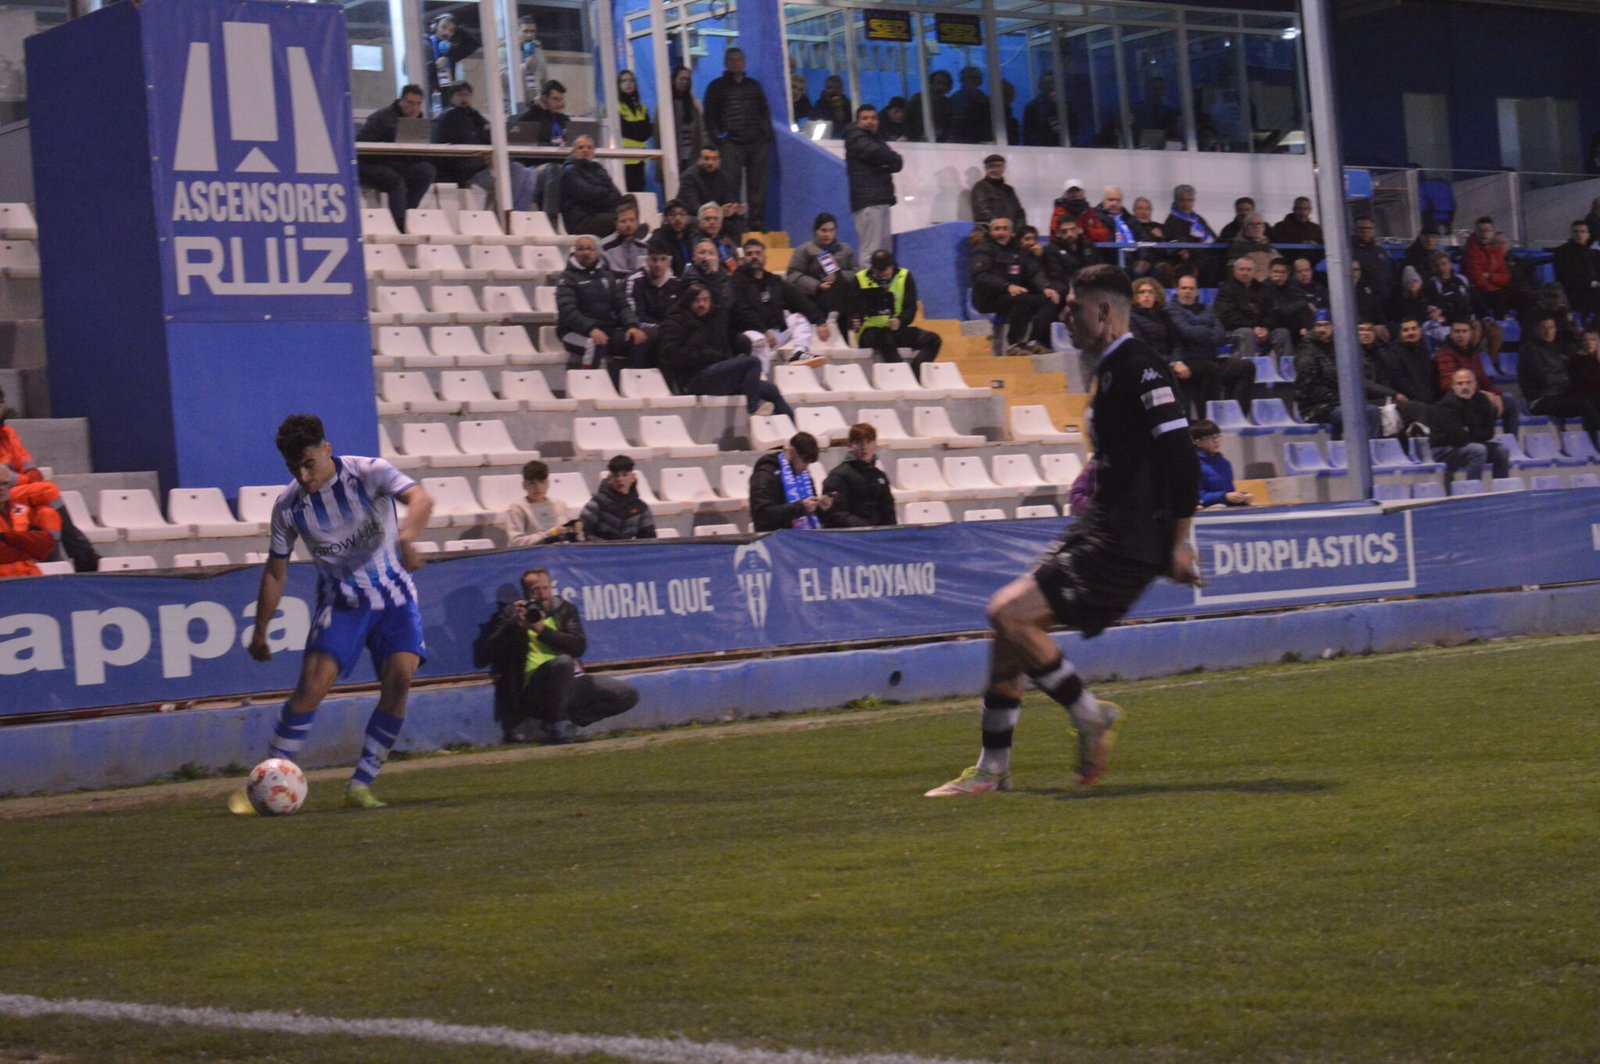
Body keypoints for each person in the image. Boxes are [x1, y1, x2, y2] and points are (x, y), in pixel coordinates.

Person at [926, 265, 1199, 797]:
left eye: (1074, 307)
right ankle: (992, 769)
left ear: (1103, 312)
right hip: (1099, 529)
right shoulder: (1112, 369)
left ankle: (1090, 716)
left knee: (1007, 613)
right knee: (1007, 632)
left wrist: (1179, 540)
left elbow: (1181, 460)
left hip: (1125, 540)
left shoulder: (1143, 369)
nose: (1064, 316)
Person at [232, 414, 434, 812]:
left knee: (400, 678)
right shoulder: (289, 507)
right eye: (295, 469)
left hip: (394, 596)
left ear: (327, 449)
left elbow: (421, 498)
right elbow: (276, 571)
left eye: (309, 464)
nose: (305, 477)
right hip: (342, 602)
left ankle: (360, 785)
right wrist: (260, 631)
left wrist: (408, 537)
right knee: (313, 686)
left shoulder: (369, 472)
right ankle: (269, 778)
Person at [486, 566, 639, 745]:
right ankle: (561, 732)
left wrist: (542, 630)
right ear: (526, 594)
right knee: (562, 663)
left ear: (551, 587)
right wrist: (514, 626)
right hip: (533, 689)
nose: (542, 595)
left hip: (570, 682)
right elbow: (489, 652)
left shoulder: (565, 610)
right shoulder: (513, 615)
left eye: (545, 588)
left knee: (627, 694)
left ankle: (565, 721)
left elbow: (578, 647)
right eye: (535, 590)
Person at [658, 279, 790, 416]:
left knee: (771, 389)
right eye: (697, 300)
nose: (701, 304)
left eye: (705, 300)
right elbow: (668, 353)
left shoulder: (714, 319)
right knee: (752, 362)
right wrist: (704, 354)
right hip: (693, 379)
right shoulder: (675, 320)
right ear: (688, 301)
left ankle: (795, 432)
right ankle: (754, 408)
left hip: (718, 376)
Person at [702, 48, 775, 232]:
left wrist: (765, 135)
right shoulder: (716, 86)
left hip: (757, 143)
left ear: (744, 62)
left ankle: (756, 223)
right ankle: (732, 224)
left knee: (758, 185)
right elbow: (709, 116)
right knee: (730, 186)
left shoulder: (753, 86)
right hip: (731, 144)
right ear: (725, 63)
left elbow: (764, 112)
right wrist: (719, 139)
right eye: (732, 59)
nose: (736, 63)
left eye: (739, 59)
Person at [432, 82, 535, 212]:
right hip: (468, 174)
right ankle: (505, 215)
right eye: (459, 95)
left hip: (485, 168)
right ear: (451, 98)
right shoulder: (447, 118)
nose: (464, 98)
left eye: (467, 95)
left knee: (527, 173)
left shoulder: (476, 117)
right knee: (518, 172)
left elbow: (492, 137)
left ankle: (517, 216)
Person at [557, 235, 647, 374]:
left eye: (589, 248)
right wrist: (590, 329)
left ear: (597, 252)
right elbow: (568, 311)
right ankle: (589, 385)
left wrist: (631, 326)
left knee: (637, 339)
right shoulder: (567, 278)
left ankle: (630, 386)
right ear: (574, 252)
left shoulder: (607, 276)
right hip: (573, 331)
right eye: (581, 249)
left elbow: (621, 304)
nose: (585, 253)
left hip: (606, 329)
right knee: (595, 343)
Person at [734, 238, 827, 372]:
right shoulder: (737, 281)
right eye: (749, 254)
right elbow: (742, 311)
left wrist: (820, 322)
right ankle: (761, 378)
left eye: (757, 253)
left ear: (764, 256)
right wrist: (763, 331)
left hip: (774, 332)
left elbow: (798, 300)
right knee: (759, 342)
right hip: (751, 333)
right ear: (743, 258)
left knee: (799, 318)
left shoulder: (774, 281)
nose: (754, 257)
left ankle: (799, 354)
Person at [1167, 272, 1251, 419]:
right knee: (1209, 369)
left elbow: (1220, 336)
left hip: (1210, 357)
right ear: (1177, 290)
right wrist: (1207, 329)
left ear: (1197, 291)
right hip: (1186, 362)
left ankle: (1237, 416)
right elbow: (1187, 332)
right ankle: (1210, 420)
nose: (1187, 291)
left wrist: (1198, 330)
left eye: (1191, 288)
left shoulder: (1208, 308)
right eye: (1184, 288)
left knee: (1246, 367)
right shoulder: (1171, 310)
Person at [970, 216, 1058, 355]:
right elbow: (980, 276)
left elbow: (1033, 271)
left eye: (1005, 229)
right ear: (991, 232)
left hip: (1013, 295)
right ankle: (1014, 343)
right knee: (1022, 299)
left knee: (1050, 300)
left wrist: (1045, 287)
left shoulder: (1018, 250)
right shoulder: (983, 249)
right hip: (988, 298)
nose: (1001, 232)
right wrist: (1007, 286)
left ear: (1011, 232)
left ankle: (1033, 341)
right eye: (997, 229)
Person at [356, 85, 436, 233]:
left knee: (426, 171)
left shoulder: (417, 123)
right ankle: (399, 226)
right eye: (410, 103)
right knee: (395, 181)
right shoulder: (381, 117)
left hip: (398, 164)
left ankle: (409, 214)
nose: (414, 108)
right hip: (371, 164)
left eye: (418, 104)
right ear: (401, 101)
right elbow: (361, 145)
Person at [1294, 313, 1382, 438]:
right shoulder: (1306, 352)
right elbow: (1307, 389)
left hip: (1338, 403)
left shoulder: (1339, 347)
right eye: (1318, 326)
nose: (1322, 330)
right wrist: (1338, 397)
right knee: (1369, 412)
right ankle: (1365, 454)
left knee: (1384, 408)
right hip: (1317, 408)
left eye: (1326, 325)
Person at [851, 250, 941, 370]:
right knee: (884, 338)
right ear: (873, 269)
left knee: (933, 340)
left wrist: (900, 321)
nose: (882, 276)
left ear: (892, 266)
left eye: (886, 272)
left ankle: (916, 373)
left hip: (895, 329)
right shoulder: (859, 278)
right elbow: (852, 308)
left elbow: (910, 308)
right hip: (869, 332)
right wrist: (855, 320)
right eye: (878, 272)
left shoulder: (905, 277)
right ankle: (903, 375)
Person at [1518, 316, 1600, 446]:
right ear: (1536, 330)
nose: (1548, 331)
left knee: (1595, 398)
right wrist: (1564, 377)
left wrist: (1560, 376)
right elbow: (1543, 379)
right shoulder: (1530, 350)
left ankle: (1595, 445)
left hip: (1559, 395)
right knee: (1584, 404)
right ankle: (1594, 443)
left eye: (1551, 327)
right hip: (1541, 400)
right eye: (1544, 328)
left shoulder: (1554, 348)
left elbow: (1558, 374)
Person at [1433, 318, 1516, 434]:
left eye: (1464, 331)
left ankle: (1512, 444)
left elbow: (1483, 380)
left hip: (1476, 397)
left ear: (1470, 333)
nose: (1460, 335)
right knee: (1486, 405)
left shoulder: (1473, 354)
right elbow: (1447, 384)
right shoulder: (1444, 354)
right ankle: (1483, 440)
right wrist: (1483, 394)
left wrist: (1496, 395)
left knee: (1510, 403)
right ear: (1451, 334)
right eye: (1457, 332)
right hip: (1456, 400)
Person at [1429, 369, 1510, 483]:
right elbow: (1457, 439)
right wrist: (1475, 430)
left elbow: (1489, 433)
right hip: (1443, 449)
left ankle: (1502, 489)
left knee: (1502, 450)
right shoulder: (1447, 405)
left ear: (1475, 384)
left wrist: (1468, 430)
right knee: (1478, 450)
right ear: (1453, 386)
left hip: (1466, 445)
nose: (1464, 387)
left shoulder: (1482, 400)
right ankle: (1473, 490)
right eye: (1460, 383)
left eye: (1468, 382)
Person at [843, 104, 903, 259]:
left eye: (873, 118)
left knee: (884, 254)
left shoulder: (875, 139)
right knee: (871, 252)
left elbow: (897, 163)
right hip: (868, 201)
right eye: (865, 118)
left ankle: (882, 284)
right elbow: (878, 153)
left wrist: (885, 159)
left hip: (880, 199)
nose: (870, 121)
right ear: (857, 122)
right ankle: (866, 284)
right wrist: (887, 159)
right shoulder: (854, 136)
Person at [1214, 255, 1291, 363]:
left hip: (1261, 330)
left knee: (1282, 333)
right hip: (1233, 331)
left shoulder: (1263, 289)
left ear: (1254, 271)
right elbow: (1227, 315)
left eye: (1249, 270)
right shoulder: (1226, 290)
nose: (1245, 273)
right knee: (1247, 333)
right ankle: (1247, 373)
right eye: (1242, 269)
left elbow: (1272, 312)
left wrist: (1266, 328)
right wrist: (1253, 327)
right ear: (1234, 271)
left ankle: (1285, 374)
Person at [750, 431, 831, 531]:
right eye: (804, 461)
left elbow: (811, 514)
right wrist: (799, 508)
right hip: (773, 539)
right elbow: (761, 513)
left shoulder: (804, 476)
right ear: (792, 452)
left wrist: (822, 509)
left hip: (799, 539)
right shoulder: (765, 473)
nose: (806, 467)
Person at [821, 422, 895, 528]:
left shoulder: (880, 476)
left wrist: (889, 533)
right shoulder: (838, 476)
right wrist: (867, 529)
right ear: (850, 445)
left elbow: (888, 512)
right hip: (851, 538)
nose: (864, 447)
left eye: (868, 442)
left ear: (875, 444)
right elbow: (837, 514)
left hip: (877, 537)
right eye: (858, 442)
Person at [786, 213, 857, 322]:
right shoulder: (804, 249)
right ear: (815, 231)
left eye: (831, 230)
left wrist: (838, 276)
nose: (828, 234)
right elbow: (793, 274)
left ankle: (836, 315)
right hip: (816, 295)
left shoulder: (846, 249)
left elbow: (857, 271)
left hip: (843, 293)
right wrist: (818, 286)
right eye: (823, 230)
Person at [625, 246, 684, 368]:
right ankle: (636, 380)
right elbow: (635, 313)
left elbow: (677, 314)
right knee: (642, 337)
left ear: (669, 262)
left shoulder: (676, 283)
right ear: (647, 261)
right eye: (654, 259)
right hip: (642, 326)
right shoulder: (635, 280)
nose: (658, 264)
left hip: (667, 328)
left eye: (663, 259)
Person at [0, 464, 61, 579]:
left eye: (5, 483)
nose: (1, 488)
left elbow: (45, 542)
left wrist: (7, 538)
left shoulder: (22, 510)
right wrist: (29, 549)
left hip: (31, 578)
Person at [558, 135, 626, 237]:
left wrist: (601, 193)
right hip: (581, 220)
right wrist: (605, 191)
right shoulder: (570, 171)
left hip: (600, 213)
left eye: (589, 147)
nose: (585, 150)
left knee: (629, 199)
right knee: (619, 221)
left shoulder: (598, 168)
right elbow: (587, 194)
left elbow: (617, 195)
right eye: (581, 147)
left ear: (593, 152)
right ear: (573, 152)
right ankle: (635, 230)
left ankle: (632, 228)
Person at [677, 145, 745, 243]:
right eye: (706, 159)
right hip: (696, 216)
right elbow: (692, 207)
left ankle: (734, 253)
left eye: (714, 159)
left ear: (719, 162)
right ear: (699, 160)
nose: (710, 162)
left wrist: (734, 209)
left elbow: (730, 199)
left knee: (736, 224)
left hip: (717, 216)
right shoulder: (689, 177)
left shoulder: (725, 177)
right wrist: (716, 211)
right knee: (698, 222)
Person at [579, 455, 657, 541]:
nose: (620, 479)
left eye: (625, 475)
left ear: (633, 478)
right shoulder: (597, 503)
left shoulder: (641, 507)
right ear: (609, 478)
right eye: (616, 475)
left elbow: (648, 540)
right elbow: (582, 532)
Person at [504, 460, 579, 548]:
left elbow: (570, 534)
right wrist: (550, 534)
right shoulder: (517, 508)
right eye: (532, 483)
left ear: (548, 484)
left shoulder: (560, 505)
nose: (537, 487)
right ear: (524, 485)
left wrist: (576, 530)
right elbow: (515, 542)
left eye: (542, 482)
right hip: (532, 556)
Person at [1461, 216, 1514, 320]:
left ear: (1493, 233)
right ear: (1476, 232)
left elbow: (1506, 277)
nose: (1484, 234)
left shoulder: (1497, 250)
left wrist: (1490, 276)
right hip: (1478, 291)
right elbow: (1477, 278)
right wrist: (1495, 283)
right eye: (1480, 231)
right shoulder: (1471, 250)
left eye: (1487, 231)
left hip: (1495, 290)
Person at [1192, 420, 1252, 507]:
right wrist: (1224, 497)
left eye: (1217, 436)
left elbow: (1229, 493)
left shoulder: (1225, 463)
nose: (1216, 440)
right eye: (1210, 437)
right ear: (1198, 442)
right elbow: (1197, 497)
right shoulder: (1194, 465)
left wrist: (1241, 497)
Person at [425, 14, 478, 107]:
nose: (446, 33)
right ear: (435, 26)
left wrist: (458, 30)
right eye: (444, 27)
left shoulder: (450, 50)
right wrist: (434, 65)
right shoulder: (424, 43)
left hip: (447, 97)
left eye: (451, 30)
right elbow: (410, 68)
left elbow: (474, 43)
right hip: (427, 97)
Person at [667, 66, 707, 187]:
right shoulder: (666, 105)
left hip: (692, 157)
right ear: (674, 80)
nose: (684, 82)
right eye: (681, 79)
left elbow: (703, 130)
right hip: (673, 159)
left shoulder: (695, 105)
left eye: (687, 79)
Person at [616, 69, 654, 193]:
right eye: (624, 81)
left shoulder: (642, 107)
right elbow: (624, 129)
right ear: (618, 85)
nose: (628, 83)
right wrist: (638, 128)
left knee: (639, 195)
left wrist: (635, 128)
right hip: (622, 160)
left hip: (639, 159)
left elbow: (646, 133)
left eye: (631, 80)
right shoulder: (615, 107)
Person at [1553, 220, 1600, 318]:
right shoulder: (1563, 252)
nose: (1579, 234)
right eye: (1576, 232)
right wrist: (1592, 283)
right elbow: (1566, 277)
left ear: (1588, 235)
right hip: (1576, 293)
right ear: (1571, 234)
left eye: (1582, 231)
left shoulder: (1593, 253)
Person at [970, 154, 1026, 231]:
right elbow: (982, 214)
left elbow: (1020, 213)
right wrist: (1003, 229)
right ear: (986, 168)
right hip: (989, 235)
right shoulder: (980, 187)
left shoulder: (1009, 189)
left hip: (1011, 235)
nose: (995, 169)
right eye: (992, 166)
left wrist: (1019, 231)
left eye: (999, 166)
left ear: (1004, 168)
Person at [600, 198, 649, 277]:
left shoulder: (644, 247)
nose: (628, 224)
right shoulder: (603, 246)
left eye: (632, 220)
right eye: (623, 221)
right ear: (616, 224)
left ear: (638, 222)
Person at [646, 200, 696, 276]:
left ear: (688, 218)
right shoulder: (658, 240)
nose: (678, 218)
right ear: (665, 219)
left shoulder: (691, 237)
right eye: (672, 214)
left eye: (682, 214)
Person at [1022, 73, 1072, 147]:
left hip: (1064, 146)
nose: (1050, 86)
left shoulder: (1065, 104)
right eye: (1046, 83)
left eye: (1052, 82)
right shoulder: (1033, 107)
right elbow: (1028, 134)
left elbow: (1074, 128)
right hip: (1042, 148)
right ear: (1041, 86)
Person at [517, 79, 570, 146]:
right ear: (544, 99)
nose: (560, 104)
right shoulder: (529, 118)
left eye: (561, 99)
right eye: (555, 99)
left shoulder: (564, 119)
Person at [906, 69, 954, 143]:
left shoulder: (948, 103)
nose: (941, 86)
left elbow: (948, 127)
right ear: (930, 83)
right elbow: (908, 123)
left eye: (945, 84)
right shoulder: (918, 99)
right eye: (938, 83)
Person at [948, 66, 993, 144]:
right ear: (962, 79)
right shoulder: (955, 98)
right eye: (970, 77)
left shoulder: (983, 97)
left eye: (976, 78)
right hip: (961, 139)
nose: (973, 81)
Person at [1226, 213, 1278, 278]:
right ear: (1244, 227)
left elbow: (1278, 264)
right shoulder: (1237, 246)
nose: (1256, 227)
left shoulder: (1268, 245)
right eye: (1252, 224)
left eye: (1259, 224)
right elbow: (1233, 270)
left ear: (1264, 227)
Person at [516, 16, 548, 106]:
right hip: (515, 104)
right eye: (525, 31)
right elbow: (503, 77)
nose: (529, 35)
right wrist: (524, 66)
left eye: (532, 31)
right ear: (517, 32)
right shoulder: (507, 51)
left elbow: (544, 78)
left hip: (536, 104)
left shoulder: (539, 51)